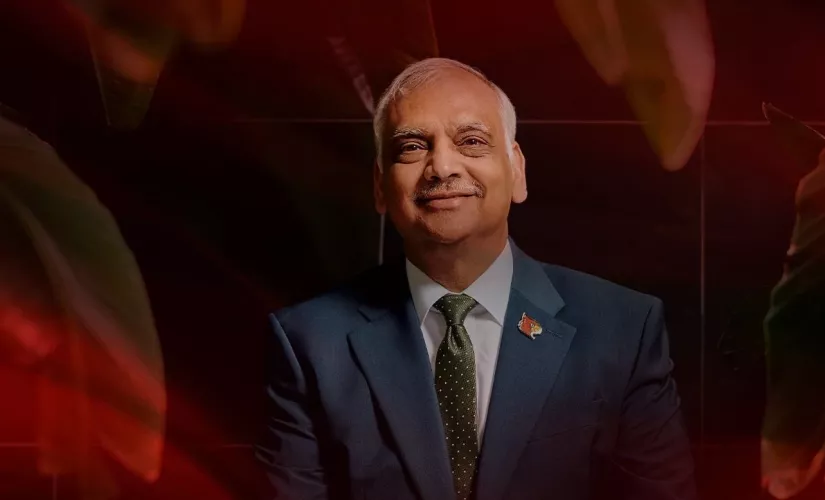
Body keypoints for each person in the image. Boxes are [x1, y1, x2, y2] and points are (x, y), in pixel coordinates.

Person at [255, 57, 696, 500]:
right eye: (411, 147)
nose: (442, 167)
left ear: (517, 170)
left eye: (471, 141)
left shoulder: (623, 330)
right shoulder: (310, 344)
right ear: (379, 186)